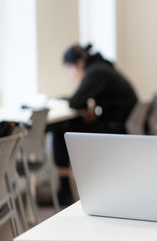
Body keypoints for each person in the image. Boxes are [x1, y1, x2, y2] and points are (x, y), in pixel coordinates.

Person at [50, 44, 138, 206]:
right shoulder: (102, 68)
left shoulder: (96, 71)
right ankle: (67, 188)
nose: (71, 74)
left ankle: (64, 192)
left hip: (116, 129)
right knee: (70, 125)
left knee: (60, 131)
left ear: (79, 62)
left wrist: (65, 100)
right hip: (120, 124)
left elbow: (76, 101)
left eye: (70, 68)